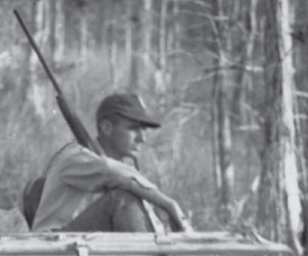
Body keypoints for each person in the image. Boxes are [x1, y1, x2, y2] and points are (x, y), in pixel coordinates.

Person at [31, 92, 190, 233]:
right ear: (106, 128)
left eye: (143, 130)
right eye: (133, 128)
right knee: (120, 199)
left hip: (83, 248)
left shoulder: (119, 172)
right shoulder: (74, 158)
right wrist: (169, 205)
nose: (142, 138)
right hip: (53, 250)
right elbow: (111, 171)